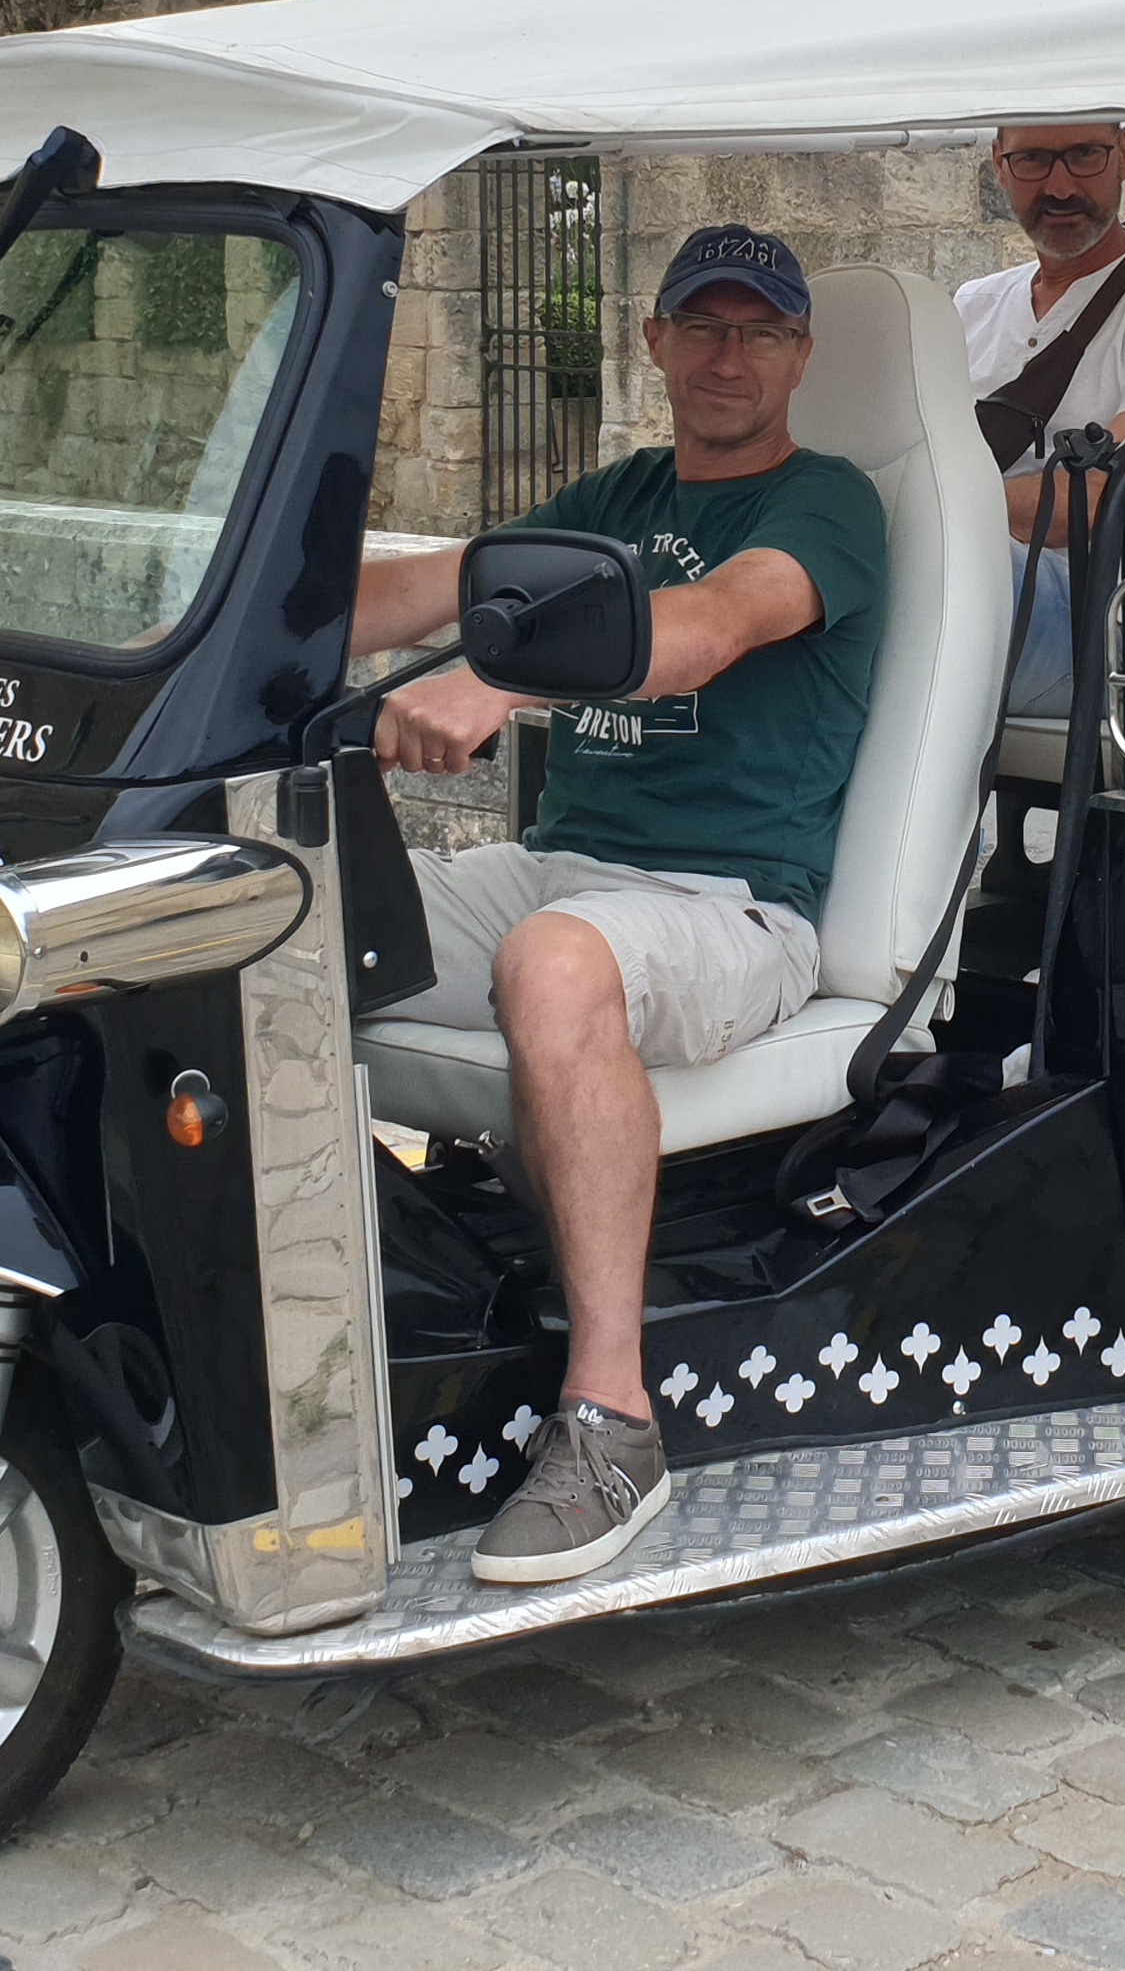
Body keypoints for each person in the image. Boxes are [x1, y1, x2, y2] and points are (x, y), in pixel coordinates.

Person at [349, 223, 885, 1584]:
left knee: (554, 961)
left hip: (730, 903)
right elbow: (434, 583)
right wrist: (237, 619)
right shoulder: (616, 495)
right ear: (654, 341)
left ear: (800, 357)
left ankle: (610, 1421)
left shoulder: (824, 505)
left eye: (760, 332)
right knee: (287, 906)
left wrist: (501, 677)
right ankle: (322, 1308)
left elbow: (709, 627)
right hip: (562, 868)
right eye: (702, 325)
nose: (728, 355)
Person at [951, 120, 1125, 716]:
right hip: (967, 583)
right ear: (999, 164)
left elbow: (1096, 497)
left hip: (1104, 624)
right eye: (1034, 159)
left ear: (1124, 155)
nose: (1060, 186)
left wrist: (934, 509)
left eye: (1084, 155)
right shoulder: (971, 307)